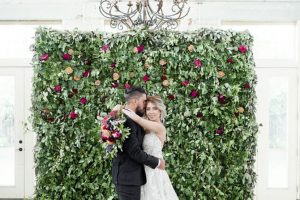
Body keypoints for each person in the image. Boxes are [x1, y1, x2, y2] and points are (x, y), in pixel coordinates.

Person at [112, 87, 166, 200]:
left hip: (144, 175)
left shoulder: (137, 120)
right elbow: (134, 151)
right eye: (145, 103)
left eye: (154, 108)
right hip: (130, 178)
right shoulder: (126, 120)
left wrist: (120, 110)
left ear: (160, 110)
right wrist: (157, 162)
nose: (147, 108)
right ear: (135, 101)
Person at [122, 95, 179, 200]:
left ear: (160, 110)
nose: (151, 112)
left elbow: (137, 119)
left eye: (155, 108)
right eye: (148, 109)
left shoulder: (159, 127)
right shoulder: (145, 127)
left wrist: (123, 109)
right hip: (143, 170)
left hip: (155, 170)